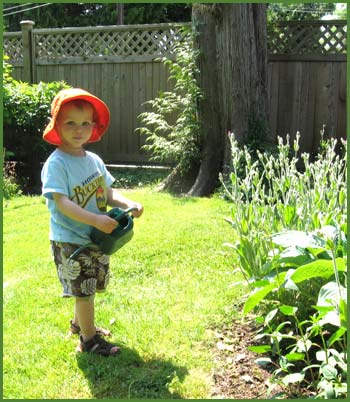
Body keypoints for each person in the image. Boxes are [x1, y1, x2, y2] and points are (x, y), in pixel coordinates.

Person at [41, 88, 143, 356]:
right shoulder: (57, 164)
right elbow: (62, 203)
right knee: (84, 291)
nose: (79, 129)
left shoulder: (94, 161)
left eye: (85, 123)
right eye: (71, 123)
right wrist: (95, 220)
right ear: (57, 126)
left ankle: (78, 324)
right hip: (72, 238)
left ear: (94, 127)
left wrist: (127, 203)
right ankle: (89, 341)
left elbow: (108, 193)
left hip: (97, 236)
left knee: (89, 285)